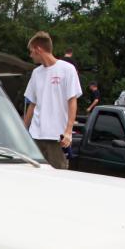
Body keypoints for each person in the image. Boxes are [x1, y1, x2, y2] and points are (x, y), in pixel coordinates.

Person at [23, 31, 81, 170]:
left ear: (38, 49)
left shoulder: (67, 69)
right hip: (36, 135)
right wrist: (23, 129)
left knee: (58, 174)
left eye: (31, 51)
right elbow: (32, 104)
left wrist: (68, 131)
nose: (30, 55)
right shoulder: (36, 73)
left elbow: (72, 101)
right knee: (32, 173)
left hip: (56, 136)